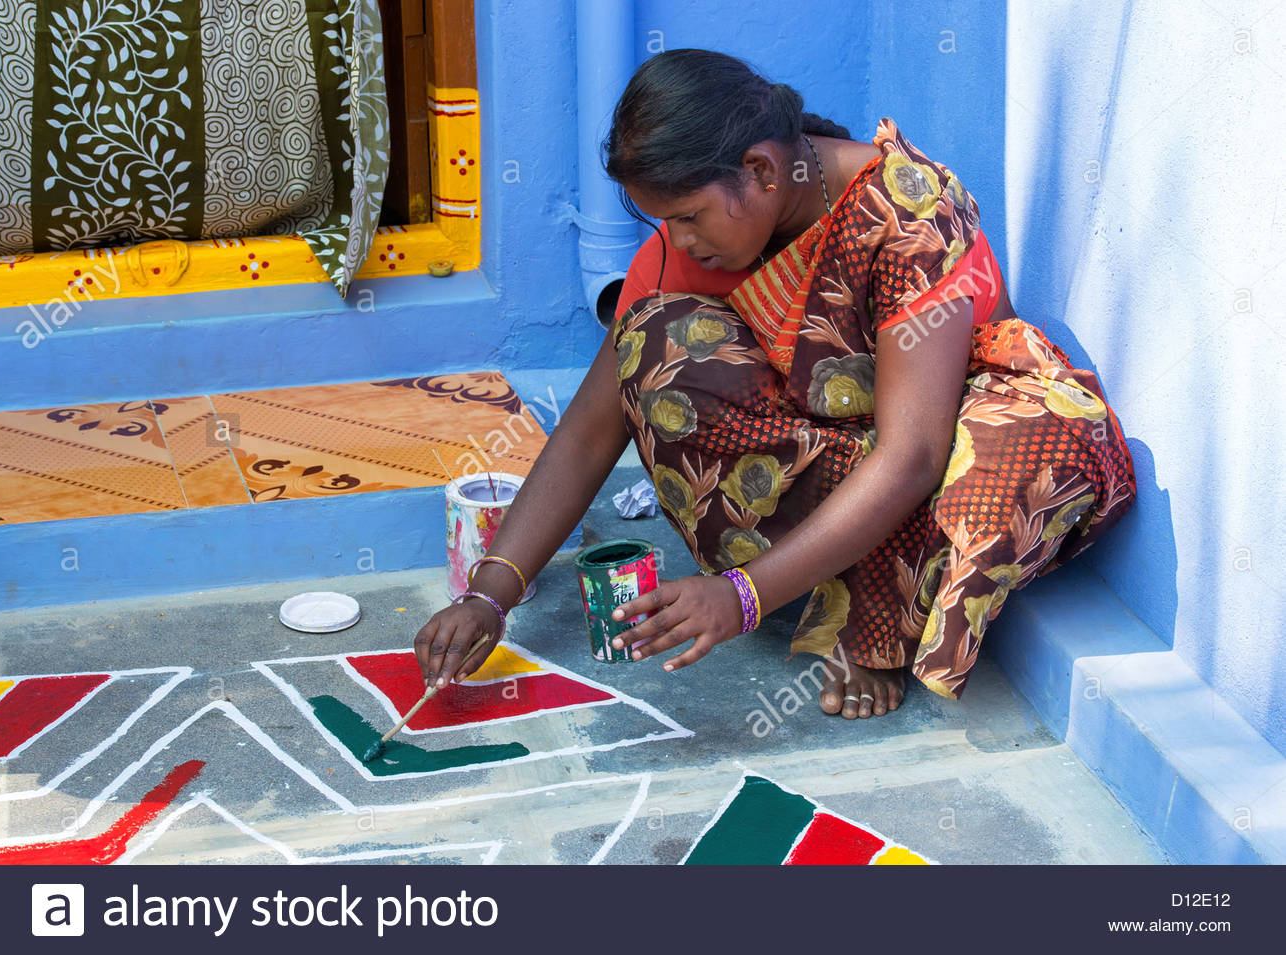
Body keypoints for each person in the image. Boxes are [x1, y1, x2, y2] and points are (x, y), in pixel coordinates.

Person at [414, 49, 1136, 720]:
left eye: (689, 216)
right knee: (654, 343)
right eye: (668, 221)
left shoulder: (909, 209)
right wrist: (489, 595)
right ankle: (829, 585)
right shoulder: (701, 241)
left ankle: (876, 618)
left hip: (938, 451)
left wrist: (743, 597)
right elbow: (588, 430)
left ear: (762, 171)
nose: (680, 239)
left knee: (1022, 451)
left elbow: (914, 451)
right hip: (845, 458)